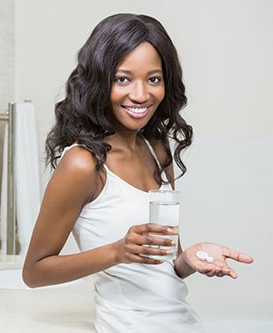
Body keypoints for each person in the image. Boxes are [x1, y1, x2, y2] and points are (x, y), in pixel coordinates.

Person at [22, 13, 254, 332]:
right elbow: (34, 273)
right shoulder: (82, 164)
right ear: (100, 81)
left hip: (184, 322)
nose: (141, 95)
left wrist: (190, 259)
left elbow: (163, 265)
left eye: (153, 79)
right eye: (123, 78)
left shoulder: (157, 148)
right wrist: (117, 251)